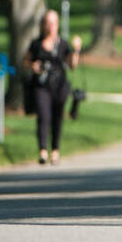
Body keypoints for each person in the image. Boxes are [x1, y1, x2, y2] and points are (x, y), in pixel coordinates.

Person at [26, 10, 82, 165]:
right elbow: (25, 61)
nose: (50, 26)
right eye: (48, 22)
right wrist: (33, 66)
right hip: (41, 85)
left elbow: (72, 66)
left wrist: (76, 49)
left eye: (53, 23)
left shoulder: (63, 44)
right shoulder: (36, 44)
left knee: (57, 117)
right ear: (43, 25)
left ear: (57, 25)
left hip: (59, 85)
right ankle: (43, 150)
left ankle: (55, 150)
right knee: (43, 116)